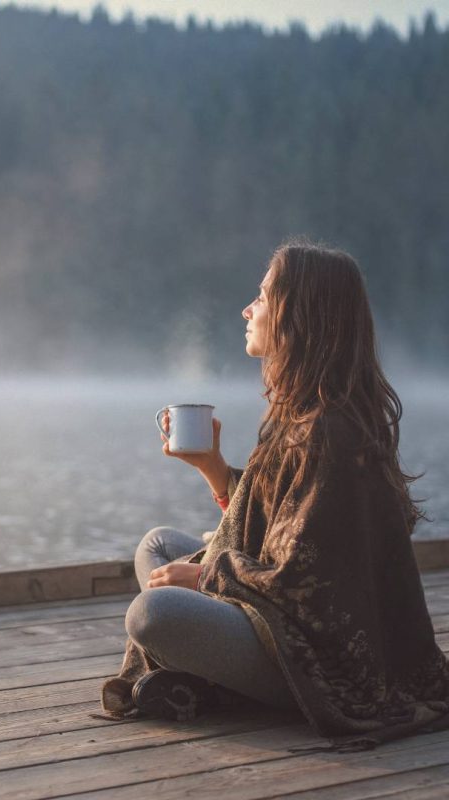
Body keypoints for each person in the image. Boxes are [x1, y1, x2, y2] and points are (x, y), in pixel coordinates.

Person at [100, 237, 449, 752]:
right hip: (279, 618)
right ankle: (207, 675)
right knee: (158, 547)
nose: (247, 308)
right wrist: (213, 468)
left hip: (322, 660)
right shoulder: (304, 411)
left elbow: (308, 581)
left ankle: (224, 683)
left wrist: (206, 576)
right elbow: (274, 525)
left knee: (154, 614)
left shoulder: (332, 431)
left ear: (298, 315)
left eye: (261, 297)